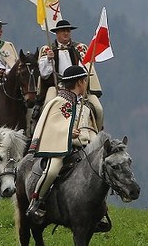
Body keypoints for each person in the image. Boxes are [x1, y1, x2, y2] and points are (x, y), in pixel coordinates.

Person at [27, 65, 102, 222]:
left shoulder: (84, 103)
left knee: (100, 170)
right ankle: (36, 203)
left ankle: (100, 210)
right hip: (59, 148)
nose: (86, 83)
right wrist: (68, 133)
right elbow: (52, 126)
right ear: (79, 82)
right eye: (85, 80)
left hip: (83, 145)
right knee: (52, 170)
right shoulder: (59, 102)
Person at [39, 19, 105, 125]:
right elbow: (43, 73)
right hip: (58, 86)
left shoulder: (80, 48)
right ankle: (43, 131)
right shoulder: (47, 49)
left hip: (79, 86)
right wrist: (48, 59)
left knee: (99, 109)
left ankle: (97, 132)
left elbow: (87, 68)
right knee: (47, 105)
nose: (66, 33)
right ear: (56, 33)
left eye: (68, 31)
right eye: (63, 31)